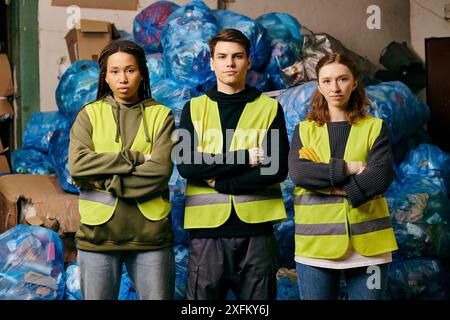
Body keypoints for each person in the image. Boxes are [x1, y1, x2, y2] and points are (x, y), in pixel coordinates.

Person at [175, 29, 289, 300]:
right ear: (211, 62)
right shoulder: (193, 108)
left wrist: (222, 181)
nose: (230, 63)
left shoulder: (269, 108)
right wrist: (246, 158)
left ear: (249, 61)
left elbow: (275, 169)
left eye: (237, 56)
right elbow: (187, 165)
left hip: (257, 231)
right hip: (207, 233)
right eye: (222, 56)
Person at [68, 40, 175, 300]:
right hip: (97, 237)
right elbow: (78, 165)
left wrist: (104, 181)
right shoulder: (89, 115)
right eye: (114, 72)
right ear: (105, 76)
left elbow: (159, 171)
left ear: (142, 73)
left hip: (150, 236)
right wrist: (134, 158)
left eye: (130, 70)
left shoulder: (161, 116)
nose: (122, 79)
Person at [288, 52, 398, 300]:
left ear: (354, 82)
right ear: (318, 86)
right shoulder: (304, 130)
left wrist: (331, 187)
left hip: (371, 248)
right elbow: (300, 173)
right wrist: (351, 168)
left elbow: (381, 176)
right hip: (315, 248)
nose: (335, 88)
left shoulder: (374, 127)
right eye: (326, 81)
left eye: (342, 79)